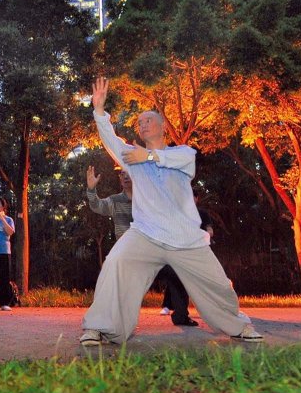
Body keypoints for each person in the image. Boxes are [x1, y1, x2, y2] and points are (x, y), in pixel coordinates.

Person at [80, 76, 262, 346]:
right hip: (145, 234)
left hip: (185, 238)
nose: (142, 125)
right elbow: (111, 140)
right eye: (140, 122)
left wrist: (150, 156)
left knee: (218, 283)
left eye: (148, 120)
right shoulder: (133, 158)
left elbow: (181, 159)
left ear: (163, 126)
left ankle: (239, 325)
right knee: (116, 263)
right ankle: (101, 328)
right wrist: (98, 111)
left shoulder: (183, 153)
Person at [160, 204, 215, 327]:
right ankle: (179, 314)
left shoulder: (201, 213)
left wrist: (207, 234)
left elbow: (209, 229)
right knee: (177, 281)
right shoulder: (174, 211)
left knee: (183, 282)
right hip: (174, 250)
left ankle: (184, 314)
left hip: (191, 251)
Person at [85, 165, 132, 241]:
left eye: (129, 173)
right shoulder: (115, 201)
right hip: (124, 250)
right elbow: (96, 206)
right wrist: (91, 189)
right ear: (120, 177)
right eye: (122, 174)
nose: (125, 177)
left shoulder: (146, 200)